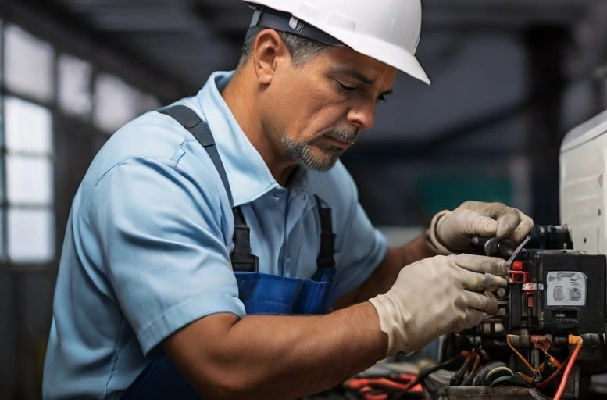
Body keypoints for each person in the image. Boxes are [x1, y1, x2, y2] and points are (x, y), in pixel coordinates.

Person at [41, 0, 535, 399]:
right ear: (269, 56)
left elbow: (368, 282)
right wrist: (394, 321)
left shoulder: (321, 178)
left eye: (378, 97)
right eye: (348, 86)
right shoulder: (155, 171)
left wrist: (434, 244)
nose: (366, 118)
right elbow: (221, 365)